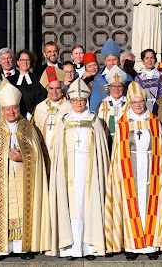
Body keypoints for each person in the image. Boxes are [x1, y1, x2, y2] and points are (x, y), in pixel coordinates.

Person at [0, 84, 51, 260]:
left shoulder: (28, 128)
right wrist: (4, 156)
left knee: (24, 208)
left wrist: (23, 156)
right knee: (4, 210)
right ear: (2, 110)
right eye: (8, 109)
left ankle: (23, 248)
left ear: (18, 108)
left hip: (24, 177)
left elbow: (37, 154)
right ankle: (2, 249)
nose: (11, 112)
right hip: (2, 180)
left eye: (14, 108)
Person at [104, 82, 162, 260]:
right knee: (130, 207)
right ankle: (131, 246)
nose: (138, 106)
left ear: (145, 102)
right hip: (130, 172)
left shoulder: (154, 122)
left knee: (151, 205)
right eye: (135, 103)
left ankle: (151, 246)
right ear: (129, 103)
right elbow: (117, 152)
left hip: (151, 169)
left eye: (141, 102)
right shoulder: (123, 124)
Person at [49, 79, 109, 260]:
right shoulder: (65, 121)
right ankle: (71, 248)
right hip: (69, 172)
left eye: (82, 101)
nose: (79, 104)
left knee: (89, 206)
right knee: (71, 207)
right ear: (71, 101)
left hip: (90, 170)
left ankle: (89, 248)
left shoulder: (94, 120)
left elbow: (101, 149)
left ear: (86, 101)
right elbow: (58, 149)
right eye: (75, 101)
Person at [32, 67, 70, 170]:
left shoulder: (69, 108)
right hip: (43, 154)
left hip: (62, 155)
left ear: (62, 89)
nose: (54, 91)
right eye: (51, 88)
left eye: (57, 88)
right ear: (47, 89)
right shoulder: (40, 108)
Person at [89, 38, 132, 109]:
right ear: (105, 61)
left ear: (118, 60)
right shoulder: (99, 78)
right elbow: (95, 101)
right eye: (109, 60)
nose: (112, 63)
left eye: (114, 60)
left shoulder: (127, 78)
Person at [8, 49, 46, 121]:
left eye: (27, 60)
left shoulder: (38, 79)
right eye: (22, 60)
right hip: (14, 116)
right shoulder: (11, 80)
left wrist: (31, 113)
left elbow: (40, 98)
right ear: (17, 62)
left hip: (33, 117)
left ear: (30, 62)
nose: (25, 62)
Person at [96, 65, 128, 143]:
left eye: (119, 86)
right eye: (113, 86)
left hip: (124, 143)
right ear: (109, 88)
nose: (116, 89)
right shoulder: (102, 104)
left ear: (123, 87)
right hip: (106, 142)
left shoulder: (129, 104)